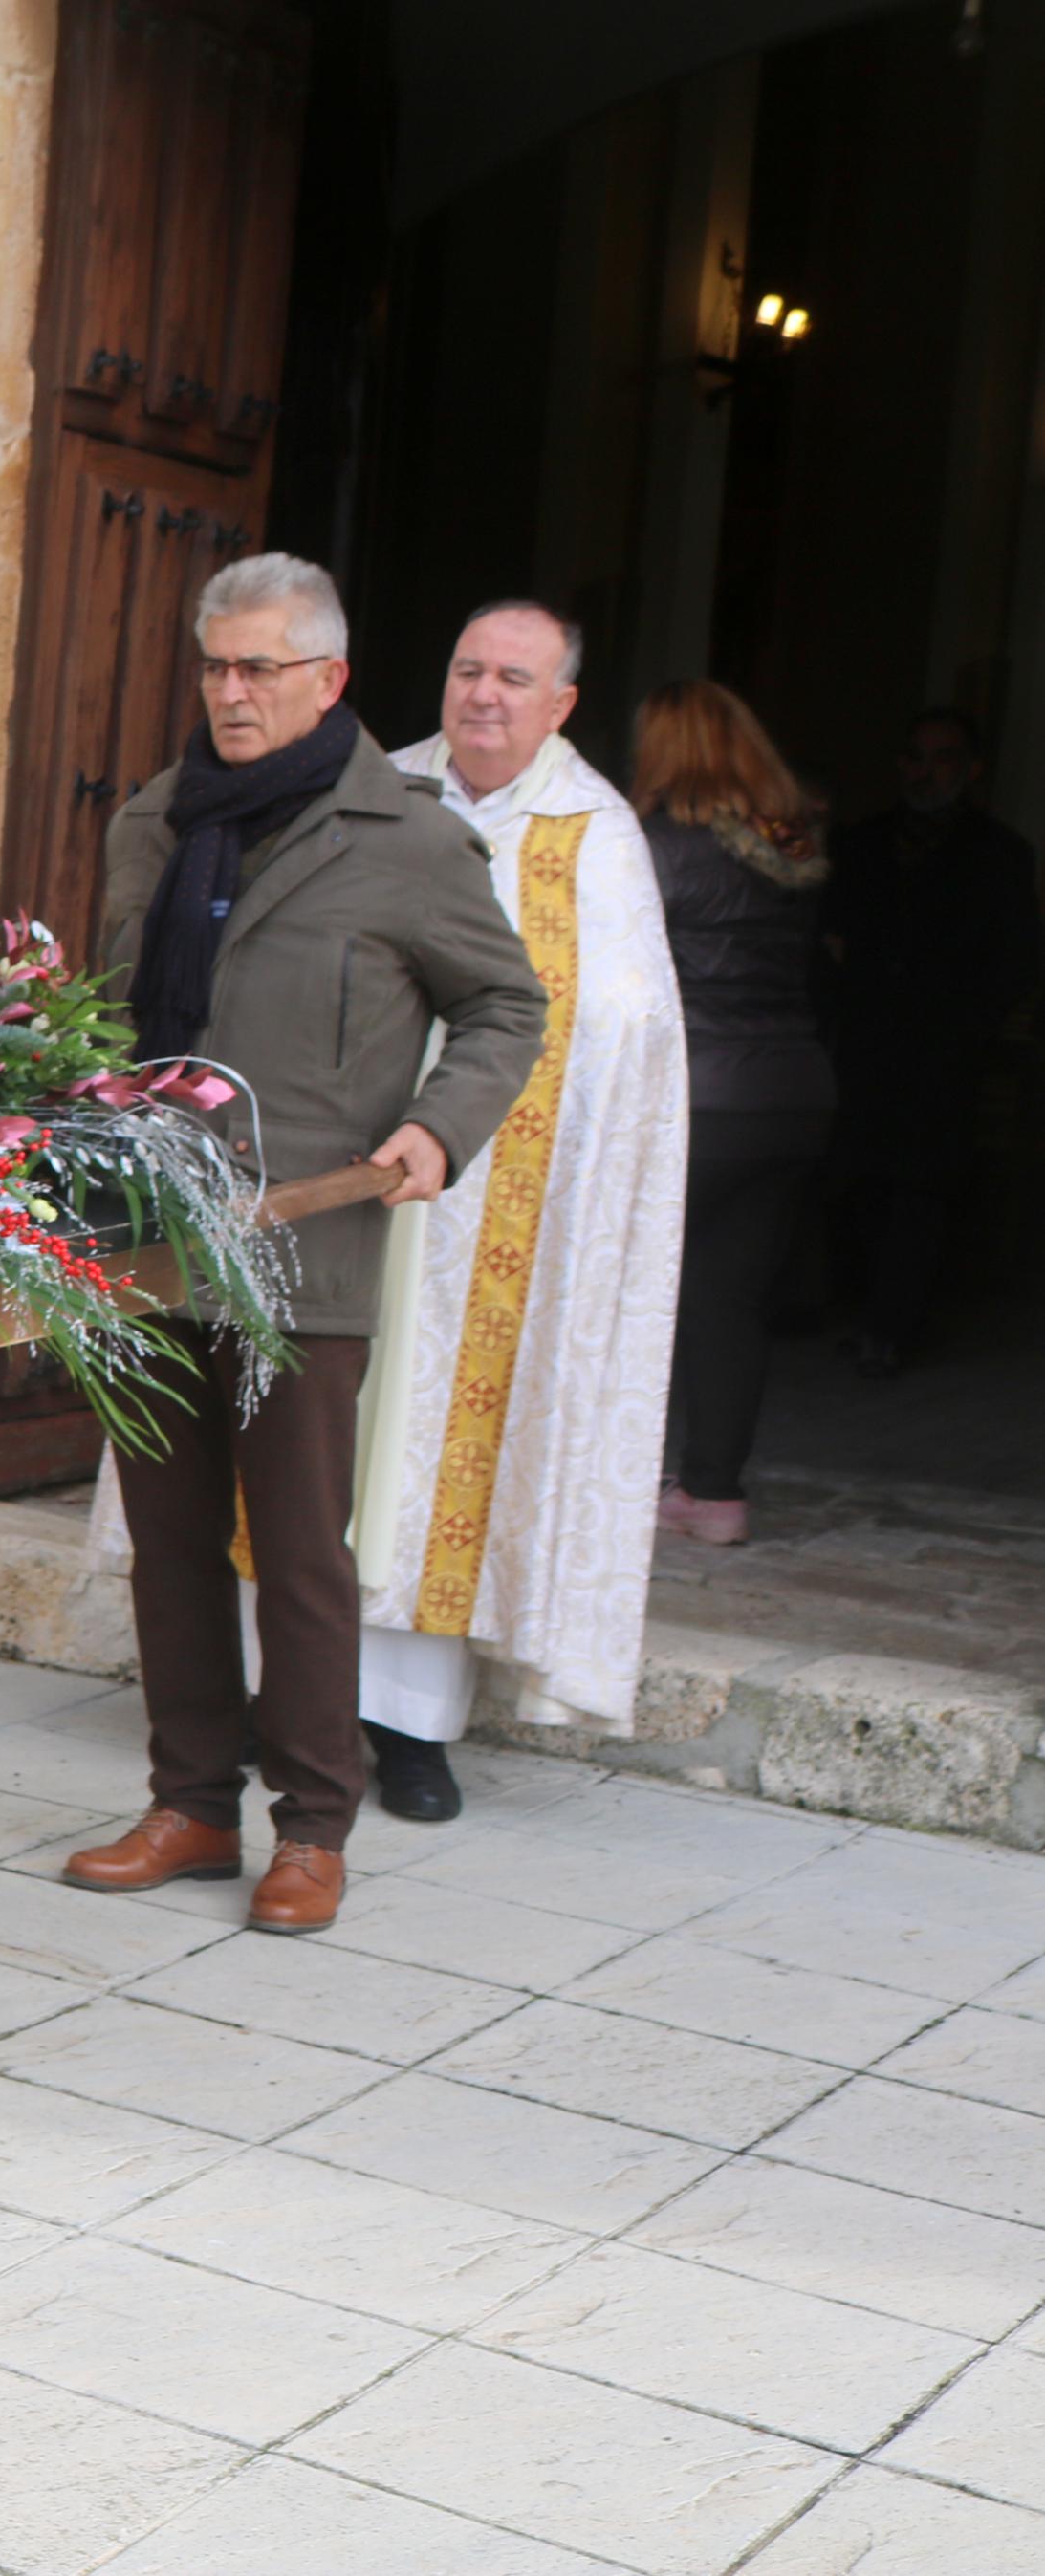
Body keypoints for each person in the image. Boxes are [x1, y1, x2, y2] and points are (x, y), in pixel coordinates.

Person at [72, 554, 544, 1932]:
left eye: (256, 669)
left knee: (295, 1547)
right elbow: (106, 1019)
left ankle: (313, 1827)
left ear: (326, 679)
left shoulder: (400, 840)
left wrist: (438, 1127)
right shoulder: (152, 821)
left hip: (302, 1251)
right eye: (212, 666)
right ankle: (189, 1804)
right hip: (144, 1238)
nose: (227, 692)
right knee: (166, 1540)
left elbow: (504, 1005)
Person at [349, 604, 684, 1813]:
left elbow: (626, 1029)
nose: (482, 694)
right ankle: (268, 1692)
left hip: (499, 1207)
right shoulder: (378, 789)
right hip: (349, 1181)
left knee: (437, 1454)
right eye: (466, 669)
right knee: (320, 1434)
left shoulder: (592, 834)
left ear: (560, 704)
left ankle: (406, 1727)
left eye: (513, 678)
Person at [641, 682, 829, 1545]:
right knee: (731, 1300)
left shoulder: (655, 850)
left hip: (694, 1099)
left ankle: (616, 1476)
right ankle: (713, 1494)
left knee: (635, 1291)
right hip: (789, 1096)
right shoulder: (787, 852)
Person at [826, 707, 1041, 1375]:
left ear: (971, 769)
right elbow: (829, 938)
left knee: (921, 1186)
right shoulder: (862, 844)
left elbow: (1014, 957)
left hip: (942, 1049)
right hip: (862, 1045)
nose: (924, 772)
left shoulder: (999, 853)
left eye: (942, 758)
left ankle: (890, 1326)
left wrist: (967, 1028)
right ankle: (861, 1309)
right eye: (913, 757)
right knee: (855, 1177)